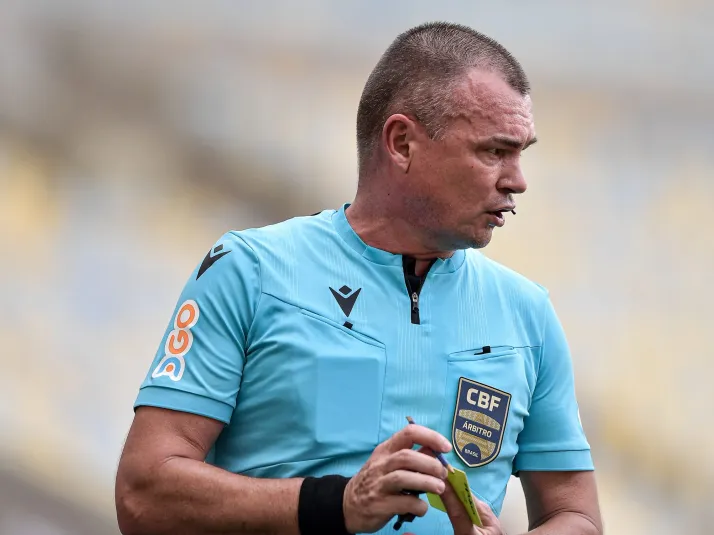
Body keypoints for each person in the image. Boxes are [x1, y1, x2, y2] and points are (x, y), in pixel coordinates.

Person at [115, 21, 602, 535]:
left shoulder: (527, 312)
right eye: (494, 152)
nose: (518, 181)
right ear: (402, 143)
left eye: (522, 152)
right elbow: (143, 493)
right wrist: (336, 504)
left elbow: (577, 517)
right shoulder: (249, 270)